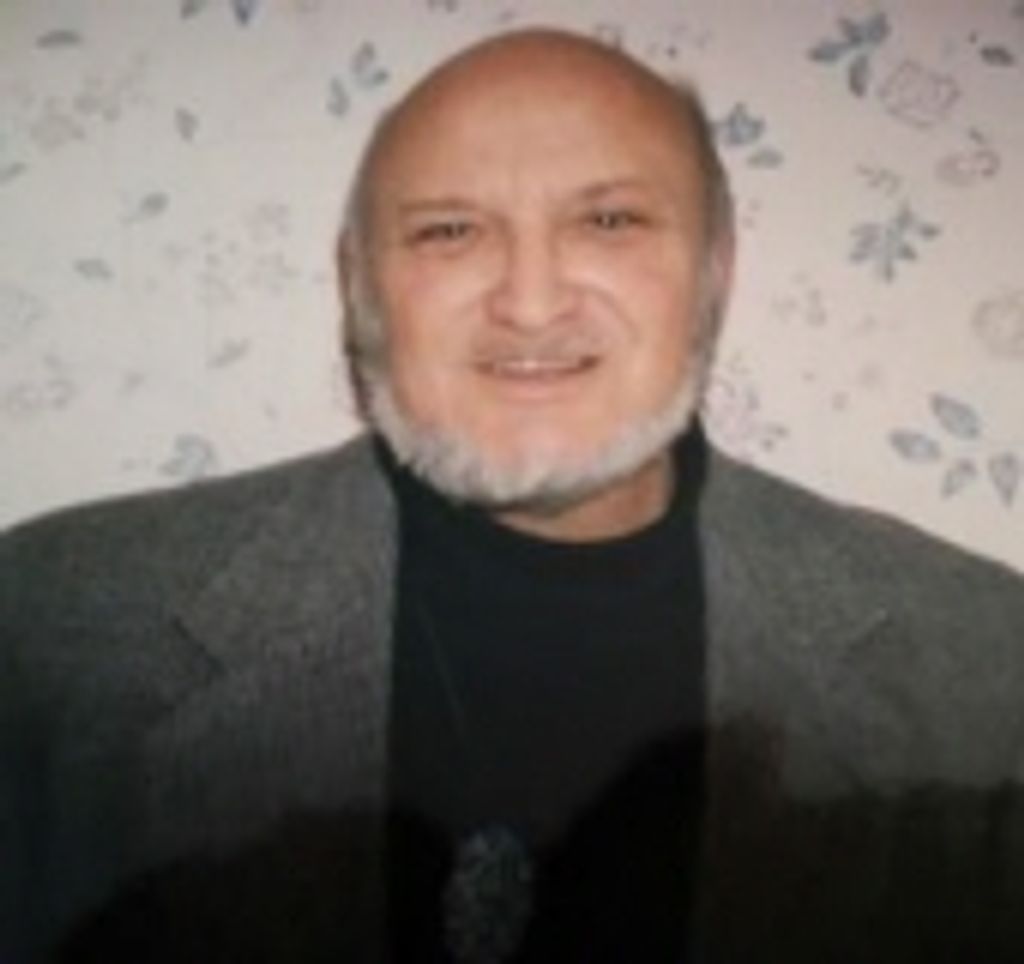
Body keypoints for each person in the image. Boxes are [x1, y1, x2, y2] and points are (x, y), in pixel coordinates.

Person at [3, 26, 1024, 963]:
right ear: (359, 285)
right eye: (449, 231)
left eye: (610, 220)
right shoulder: (48, 627)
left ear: (714, 273)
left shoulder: (984, 663)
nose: (530, 304)